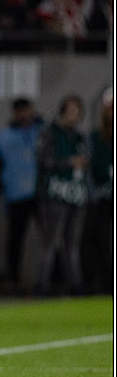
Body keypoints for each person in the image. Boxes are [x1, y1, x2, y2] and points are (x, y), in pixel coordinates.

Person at [35, 95, 89, 296]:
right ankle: (41, 285)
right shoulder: (50, 133)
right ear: (63, 111)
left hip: (76, 194)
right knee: (50, 242)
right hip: (55, 194)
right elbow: (44, 160)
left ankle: (76, 285)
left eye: (77, 111)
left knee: (71, 243)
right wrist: (68, 162)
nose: (74, 115)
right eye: (70, 110)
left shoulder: (79, 137)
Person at [0, 98, 44, 291]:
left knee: (49, 239)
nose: (24, 115)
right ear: (14, 113)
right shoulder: (4, 136)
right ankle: (12, 279)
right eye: (20, 111)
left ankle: (51, 278)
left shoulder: (42, 132)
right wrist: (2, 188)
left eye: (27, 110)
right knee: (15, 239)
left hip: (40, 195)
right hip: (15, 195)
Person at [81, 90, 113, 294]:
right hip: (100, 198)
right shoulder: (95, 137)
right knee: (95, 238)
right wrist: (95, 193)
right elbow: (89, 168)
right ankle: (98, 282)